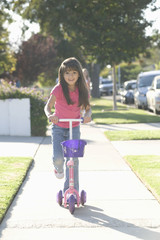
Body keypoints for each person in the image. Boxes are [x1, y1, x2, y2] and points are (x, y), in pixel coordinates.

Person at [44, 57, 92, 194]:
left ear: (79, 74)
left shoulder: (82, 90)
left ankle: (71, 191)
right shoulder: (58, 89)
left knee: (73, 160)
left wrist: (88, 115)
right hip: (58, 128)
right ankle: (58, 168)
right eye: (67, 73)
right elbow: (48, 107)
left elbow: (88, 108)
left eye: (74, 73)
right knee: (59, 159)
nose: (70, 76)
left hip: (74, 128)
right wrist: (50, 115)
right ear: (62, 74)